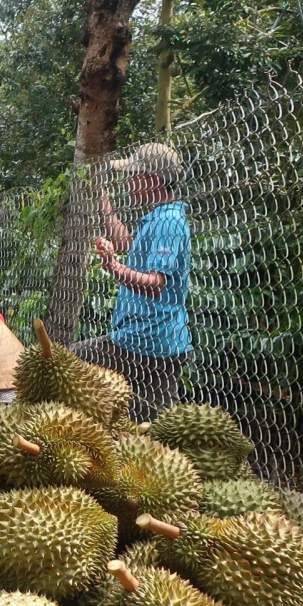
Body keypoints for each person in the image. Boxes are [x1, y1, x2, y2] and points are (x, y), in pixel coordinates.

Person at [71, 142, 193, 421]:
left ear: (150, 179)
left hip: (145, 341)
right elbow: (127, 243)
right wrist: (102, 199)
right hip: (151, 341)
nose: (127, 181)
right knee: (150, 424)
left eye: (132, 175)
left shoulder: (168, 223)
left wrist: (113, 267)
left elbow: (156, 283)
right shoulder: (158, 218)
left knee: (60, 362)